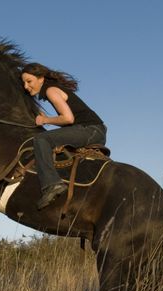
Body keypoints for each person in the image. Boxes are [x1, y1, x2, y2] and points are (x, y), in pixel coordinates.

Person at [21, 63, 107, 210]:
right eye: (23, 83)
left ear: (41, 79)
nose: (25, 86)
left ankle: (52, 184)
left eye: (29, 81)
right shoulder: (52, 89)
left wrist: (45, 120)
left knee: (41, 139)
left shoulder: (51, 90)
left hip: (90, 130)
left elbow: (68, 119)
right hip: (92, 130)